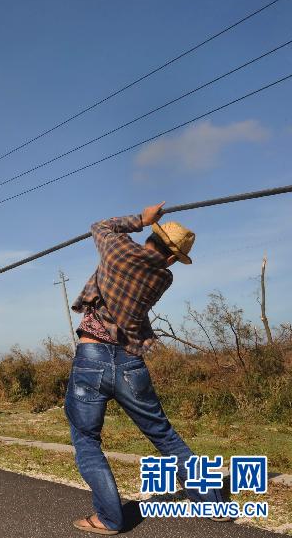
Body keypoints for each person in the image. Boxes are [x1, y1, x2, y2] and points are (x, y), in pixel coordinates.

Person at [66, 202, 228, 534]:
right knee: (164, 435)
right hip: (129, 362)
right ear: (172, 259)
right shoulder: (163, 277)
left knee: (86, 439)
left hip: (92, 358)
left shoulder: (119, 250)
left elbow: (99, 225)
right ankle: (213, 502)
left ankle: (110, 518)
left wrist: (142, 218)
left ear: (150, 238)